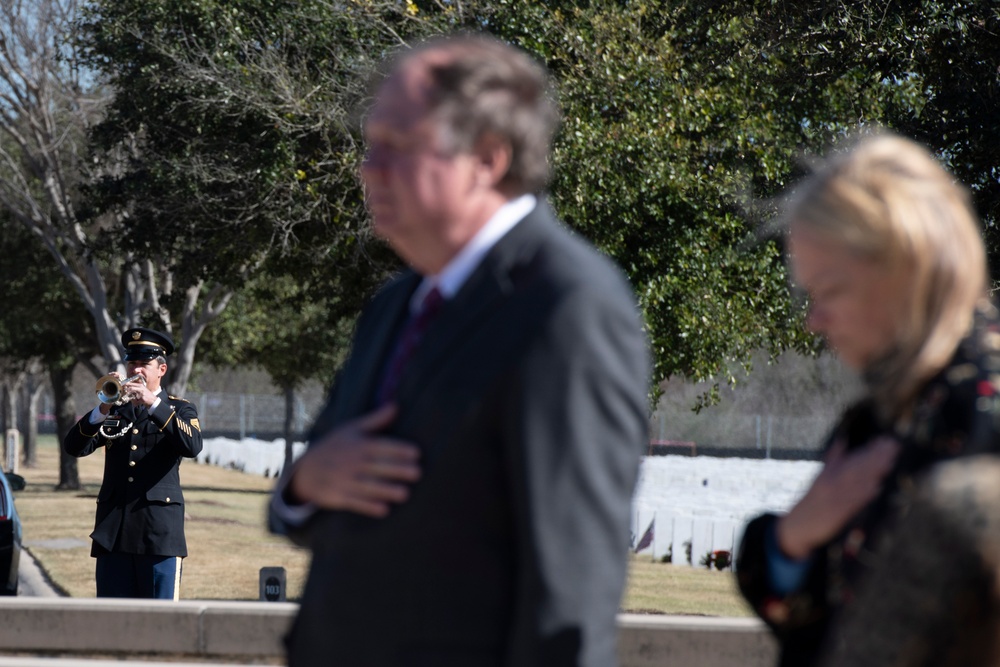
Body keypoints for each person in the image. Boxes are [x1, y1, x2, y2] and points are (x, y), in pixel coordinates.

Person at [268, 33, 650, 667]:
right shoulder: (397, 304)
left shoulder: (568, 306)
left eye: (397, 146)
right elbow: (327, 496)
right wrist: (304, 484)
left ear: (487, 159)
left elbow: (570, 594)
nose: (369, 168)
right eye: (370, 145)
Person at [736, 132, 1000, 666]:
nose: (814, 321)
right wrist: (793, 538)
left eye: (829, 292)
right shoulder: (889, 409)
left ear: (904, 270)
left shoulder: (980, 411)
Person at [64, 326, 203, 599]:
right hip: (113, 534)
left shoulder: (179, 409)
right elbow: (74, 447)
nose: (136, 369)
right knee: (112, 626)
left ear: (161, 369)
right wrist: (103, 408)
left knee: (161, 625)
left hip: (159, 536)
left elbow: (192, 446)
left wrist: (152, 404)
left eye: (144, 364)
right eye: (132, 363)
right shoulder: (116, 410)